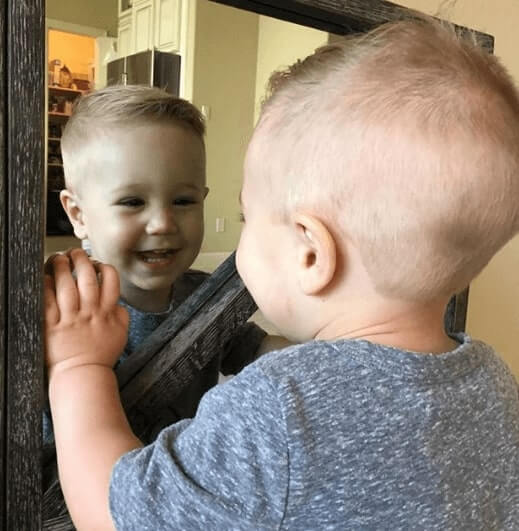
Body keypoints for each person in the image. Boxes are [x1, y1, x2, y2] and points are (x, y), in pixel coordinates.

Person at [45, 18, 519, 530]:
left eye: (247, 218)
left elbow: (114, 516)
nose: (163, 221)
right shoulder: (494, 381)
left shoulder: (281, 405)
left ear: (311, 255)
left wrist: (76, 369)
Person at [43, 85, 286, 444]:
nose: (162, 223)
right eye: (132, 201)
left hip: (176, 481)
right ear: (78, 214)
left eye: (184, 200)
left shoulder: (204, 294)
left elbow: (256, 351)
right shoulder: (64, 307)